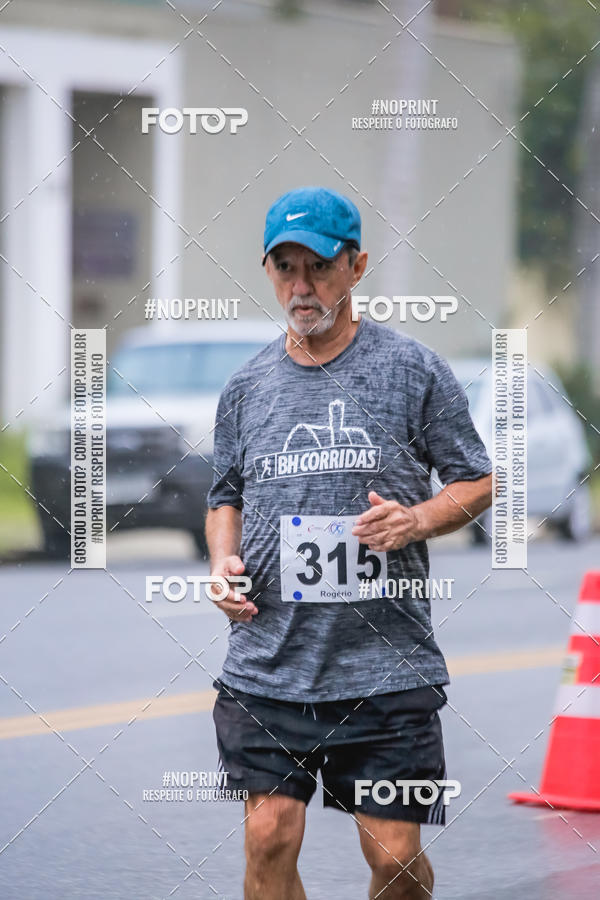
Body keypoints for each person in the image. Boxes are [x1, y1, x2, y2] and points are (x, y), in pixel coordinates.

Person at [205, 185, 492, 899]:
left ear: (357, 267)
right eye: (285, 268)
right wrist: (222, 564)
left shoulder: (412, 370)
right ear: (268, 270)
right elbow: (224, 498)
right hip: (269, 669)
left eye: (320, 267)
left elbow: (477, 481)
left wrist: (417, 519)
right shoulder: (245, 389)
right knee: (268, 838)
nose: (301, 287)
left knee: (392, 858)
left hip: (385, 671)